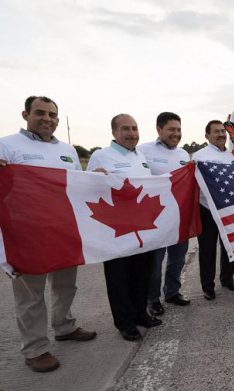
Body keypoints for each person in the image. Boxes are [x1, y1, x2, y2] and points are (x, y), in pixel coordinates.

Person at [0, 96, 96, 372]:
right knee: (30, 296)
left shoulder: (67, 150)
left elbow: (77, 185)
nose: (48, 119)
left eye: (53, 115)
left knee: (66, 286)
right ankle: (35, 349)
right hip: (26, 234)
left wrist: (96, 178)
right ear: (25, 114)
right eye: (40, 113)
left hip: (63, 230)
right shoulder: (6, 145)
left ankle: (64, 326)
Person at [87, 114, 162, 341]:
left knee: (142, 273)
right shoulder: (101, 156)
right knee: (119, 277)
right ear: (114, 133)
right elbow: (87, 186)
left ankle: (140, 313)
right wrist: (93, 177)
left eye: (135, 128)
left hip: (141, 229)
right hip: (116, 231)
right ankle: (125, 322)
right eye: (126, 129)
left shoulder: (141, 156)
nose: (132, 133)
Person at [138, 112, 191, 315]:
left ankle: (172, 292)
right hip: (154, 217)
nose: (175, 133)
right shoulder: (143, 151)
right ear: (159, 130)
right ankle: (153, 299)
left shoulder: (183, 155)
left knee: (178, 258)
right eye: (171, 129)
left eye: (178, 130)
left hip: (178, 215)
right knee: (155, 262)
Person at [192, 120, 234, 300]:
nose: (221, 134)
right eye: (216, 132)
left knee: (229, 245)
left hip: (227, 208)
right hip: (207, 209)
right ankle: (208, 286)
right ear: (207, 136)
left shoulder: (230, 156)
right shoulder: (199, 156)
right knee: (207, 249)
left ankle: (227, 279)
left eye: (222, 131)